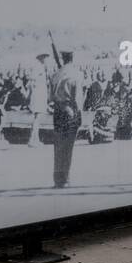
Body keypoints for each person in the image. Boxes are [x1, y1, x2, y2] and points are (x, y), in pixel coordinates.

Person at [48, 50, 81, 187]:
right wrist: (79, 113)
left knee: (58, 146)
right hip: (69, 110)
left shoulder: (56, 74)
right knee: (68, 147)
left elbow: (50, 97)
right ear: (72, 58)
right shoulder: (75, 73)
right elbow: (77, 97)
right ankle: (65, 179)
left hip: (57, 111)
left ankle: (57, 180)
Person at [27, 53, 49, 146]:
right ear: (41, 58)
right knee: (37, 118)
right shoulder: (37, 67)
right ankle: (32, 140)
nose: (47, 59)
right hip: (37, 95)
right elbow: (32, 82)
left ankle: (36, 139)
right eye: (45, 57)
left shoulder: (42, 68)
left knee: (38, 118)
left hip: (40, 95)